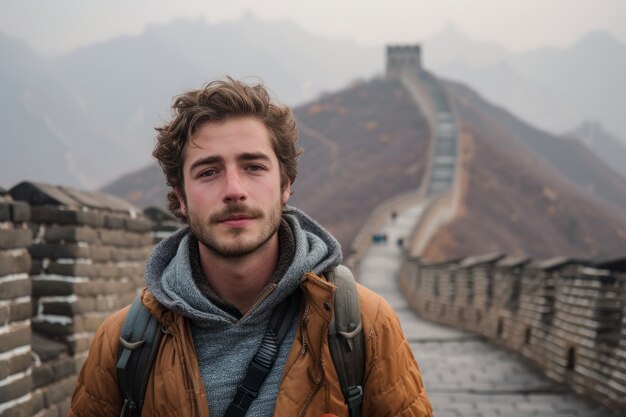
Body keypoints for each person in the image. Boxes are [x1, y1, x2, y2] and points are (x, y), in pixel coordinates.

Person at [67, 77, 433, 417]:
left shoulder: (362, 325)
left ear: (285, 184)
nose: (234, 189)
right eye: (208, 172)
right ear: (180, 198)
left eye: (254, 167)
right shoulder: (123, 344)